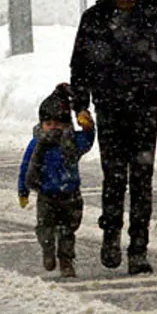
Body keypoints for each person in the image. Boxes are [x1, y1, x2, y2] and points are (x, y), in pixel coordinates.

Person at [69, 0, 157, 276]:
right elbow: (80, 67)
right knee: (114, 178)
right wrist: (80, 105)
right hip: (109, 109)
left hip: (144, 109)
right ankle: (111, 235)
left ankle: (139, 248)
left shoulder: (154, 16)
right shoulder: (94, 20)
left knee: (141, 180)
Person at [17, 83, 95, 278]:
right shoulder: (37, 144)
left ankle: (66, 261)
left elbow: (87, 140)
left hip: (70, 195)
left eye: (59, 124)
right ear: (41, 124)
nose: (53, 128)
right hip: (46, 195)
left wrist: (87, 125)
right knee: (45, 228)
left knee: (68, 231)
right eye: (49, 123)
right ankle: (48, 249)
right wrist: (23, 191)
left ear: (67, 125)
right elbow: (26, 166)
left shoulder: (71, 141)